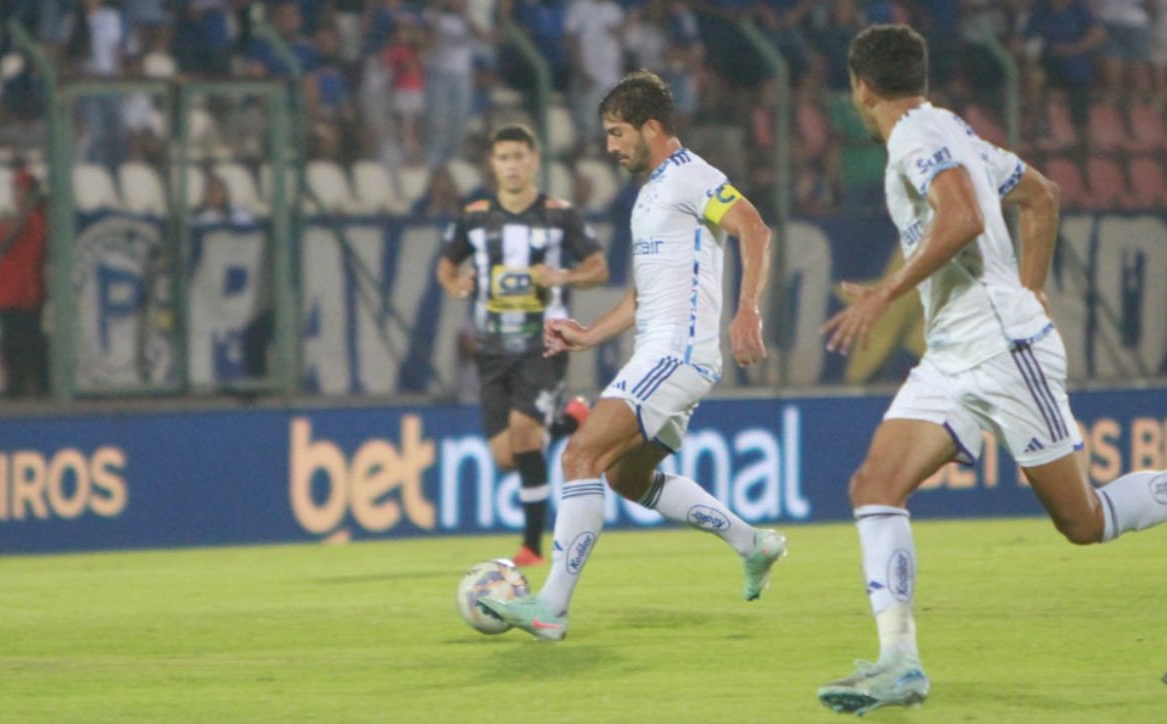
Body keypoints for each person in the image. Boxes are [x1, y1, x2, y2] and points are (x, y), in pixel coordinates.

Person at [815, 25, 1167, 715]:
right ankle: (899, 664)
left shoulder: (919, 137)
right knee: (875, 485)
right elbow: (1041, 195)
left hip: (1002, 350)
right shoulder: (953, 131)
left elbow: (967, 217)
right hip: (955, 352)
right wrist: (1029, 290)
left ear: (860, 87)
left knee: (1085, 520)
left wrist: (889, 294)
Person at [479, 70, 787, 641]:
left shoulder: (691, 175)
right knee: (625, 478)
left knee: (579, 458)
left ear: (651, 127)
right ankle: (753, 542)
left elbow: (755, 228)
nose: (610, 146)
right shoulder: (650, 195)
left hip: (676, 353)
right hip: (664, 351)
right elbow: (643, 296)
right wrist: (590, 335)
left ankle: (550, 608)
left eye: (618, 133)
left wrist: (749, 310)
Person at [437, 124, 610, 567]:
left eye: (519, 156)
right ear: (492, 165)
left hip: (543, 343)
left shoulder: (559, 215)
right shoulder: (474, 215)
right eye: (503, 157)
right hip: (491, 348)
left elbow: (598, 268)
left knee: (524, 435)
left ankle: (532, 547)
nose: (512, 165)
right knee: (506, 457)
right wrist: (457, 283)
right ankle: (571, 420)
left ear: (533, 160)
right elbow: (446, 265)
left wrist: (564, 277)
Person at [0, 167, 49, 398]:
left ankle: (25, 386)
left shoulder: (33, 220)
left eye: (22, 189)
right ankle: (19, 385)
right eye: (16, 189)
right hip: (10, 290)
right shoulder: (20, 218)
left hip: (23, 291)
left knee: (26, 342)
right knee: (14, 341)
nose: (17, 193)